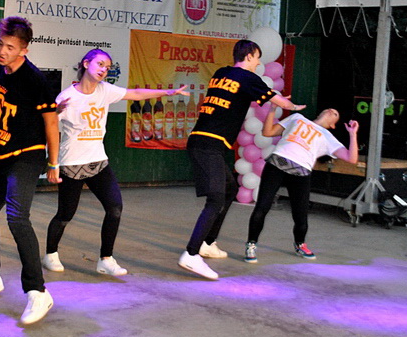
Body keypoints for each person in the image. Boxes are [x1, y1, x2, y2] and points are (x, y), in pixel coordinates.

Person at [43, 49, 190, 276]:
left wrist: (167, 91)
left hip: (98, 162)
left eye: (108, 67)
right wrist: (52, 162)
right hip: (72, 163)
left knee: (115, 208)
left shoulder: (106, 90)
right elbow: (49, 128)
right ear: (86, 64)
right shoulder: (67, 97)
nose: (104, 70)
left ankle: (106, 259)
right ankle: (50, 254)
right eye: (100, 64)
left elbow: (135, 93)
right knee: (65, 214)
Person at [0, 16, 60, 326]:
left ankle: (38, 292)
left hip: (27, 156)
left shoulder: (35, 80)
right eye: (1, 44)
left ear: (24, 50)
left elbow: (51, 123)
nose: (3, 51)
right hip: (0, 151)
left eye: (10, 47)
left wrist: (54, 163)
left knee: (17, 218)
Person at [180, 40, 305, 280]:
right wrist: (292, 105)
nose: (258, 63)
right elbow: (278, 101)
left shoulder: (221, 73)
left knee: (230, 189)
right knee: (216, 199)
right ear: (248, 56)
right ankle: (191, 254)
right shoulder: (248, 78)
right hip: (209, 144)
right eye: (257, 57)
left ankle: (207, 242)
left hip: (202, 141)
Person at [244, 107, 359, 263]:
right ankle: (251, 244)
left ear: (333, 124)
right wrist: (272, 109)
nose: (331, 111)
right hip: (277, 163)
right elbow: (268, 132)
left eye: (335, 113)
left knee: (300, 215)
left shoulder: (328, 137)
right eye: (329, 109)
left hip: (301, 171)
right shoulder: (297, 118)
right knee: (262, 206)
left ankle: (300, 244)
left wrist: (353, 134)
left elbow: (352, 158)